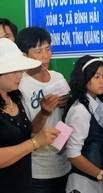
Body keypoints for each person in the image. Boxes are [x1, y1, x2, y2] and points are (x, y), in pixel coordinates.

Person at [0, 38, 60, 193]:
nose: (20, 75)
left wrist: (44, 113)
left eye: (21, 70)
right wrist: (35, 143)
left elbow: (27, 132)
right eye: (14, 71)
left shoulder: (14, 97)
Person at [15, 27, 71, 193]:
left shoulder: (58, 77)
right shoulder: (19, 86)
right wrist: (44, 112)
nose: (46, 55)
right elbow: (25, 132)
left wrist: (67, 104)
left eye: (48, 49)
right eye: (38, 51)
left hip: (63, 164)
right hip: (36, 169)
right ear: (24, 55)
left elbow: (68, 117)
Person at [63, 55, 103, 193]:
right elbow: (73, 155)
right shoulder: (79, 110)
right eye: (96, 77)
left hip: (96, 181)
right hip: (82, 183)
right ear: (83, 78)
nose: (102, 81)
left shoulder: (99, 104)